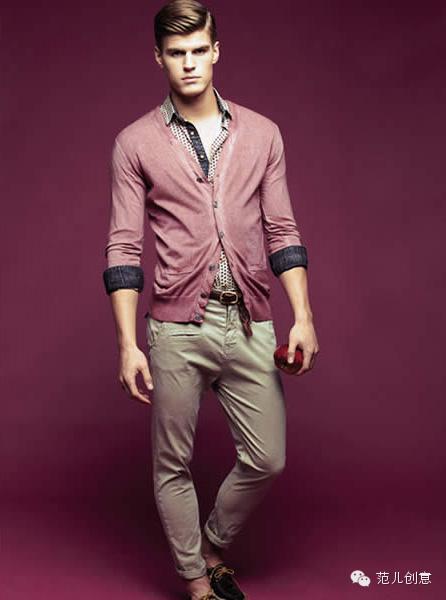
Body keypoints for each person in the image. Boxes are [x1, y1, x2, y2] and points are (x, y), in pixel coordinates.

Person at [102, 1, 319, 598]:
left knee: (267, 457)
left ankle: (213, 543)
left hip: (249, 321)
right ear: (158, 58)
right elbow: (123, 248)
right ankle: (198, 581)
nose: (190, 63)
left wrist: (303, 317)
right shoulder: (134, 143)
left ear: (216, 50)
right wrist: (127, 345)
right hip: (176, 328)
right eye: (177, 53)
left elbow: (283, 231)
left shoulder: (263, 133)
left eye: (199, 50)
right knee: (171, 464)